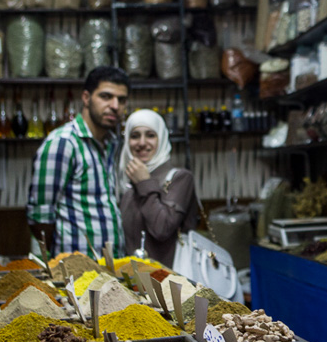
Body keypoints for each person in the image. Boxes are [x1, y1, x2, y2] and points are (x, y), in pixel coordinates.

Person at [27, 66, 129, 256]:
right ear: (86, 98)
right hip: (76, 272)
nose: (115, 105)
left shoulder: (112, 144)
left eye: (121, 99)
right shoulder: (63, 143)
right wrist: (60, 261)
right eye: (106, 96)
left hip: (111, 269)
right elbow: (41, 216)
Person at [118, 108, 199, 266]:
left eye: (150, 135)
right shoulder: (127, 184)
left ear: (161, 138)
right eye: (135, 136)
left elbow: (162, 228)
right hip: (135, 282)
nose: (142, 143)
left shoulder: (180, 178)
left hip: (171, 283)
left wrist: (144, 182)